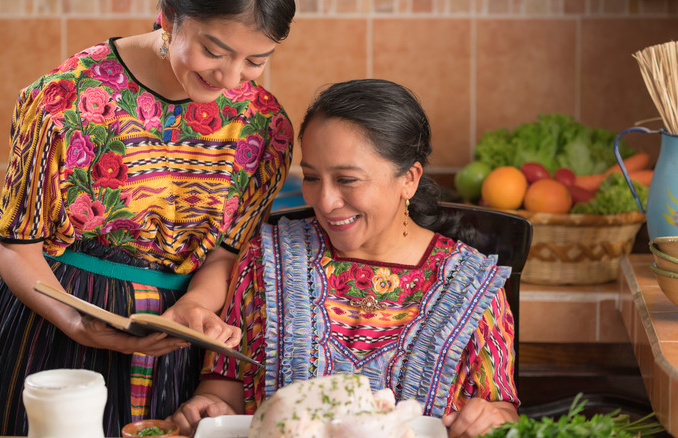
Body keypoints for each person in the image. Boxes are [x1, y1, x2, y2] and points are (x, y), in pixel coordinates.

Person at [0, 0, 296, 436]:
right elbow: (13, 250)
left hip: (173, 348)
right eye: (214, 52)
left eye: (255, 60)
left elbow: (223, 256)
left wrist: (194, 308)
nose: (230, 78)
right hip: (58, 327)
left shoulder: (264, 125)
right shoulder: (66, 98)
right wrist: (77, 324)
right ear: (171, 17)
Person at [170, 79, 520, 438]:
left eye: (347, 180)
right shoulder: (264, 260)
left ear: (409, 179)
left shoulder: (475, 286)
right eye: (310, 177)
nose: (324, 201)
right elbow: (221, 396)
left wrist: (494, 419)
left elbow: (500, 412)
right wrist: (207, 410)